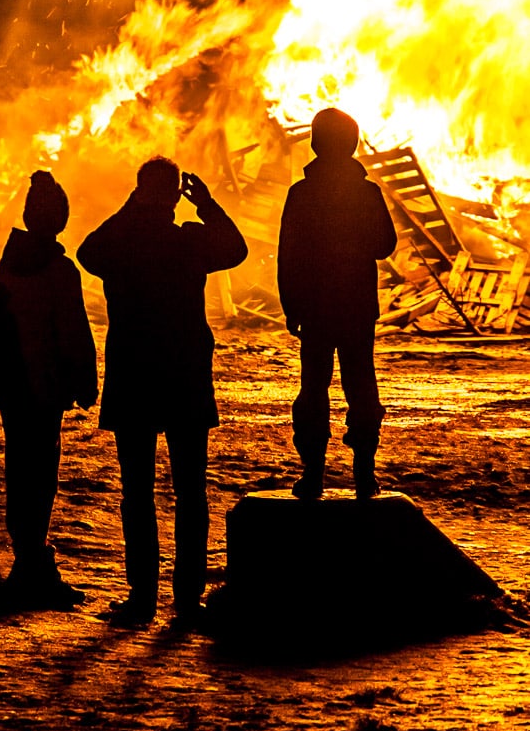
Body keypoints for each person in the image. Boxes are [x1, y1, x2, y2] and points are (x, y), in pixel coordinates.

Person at [77, 157, 247, 626]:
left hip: (134, 377)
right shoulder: (188, 242)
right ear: (176, 196)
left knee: (138, 492)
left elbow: (87, 251)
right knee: (191, 491)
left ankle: (142, 597)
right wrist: (207, 205)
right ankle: (188, 598)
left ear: (137, 193)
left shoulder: (123, 242)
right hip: (184, 375)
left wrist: (134, 206)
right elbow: (236, 249)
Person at [0, 170, 98, 610]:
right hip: (44, 389)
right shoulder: (58, 269)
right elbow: (72, 331)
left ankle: (27, 559)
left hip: (15, 388)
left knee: (21, 474)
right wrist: (84, 382)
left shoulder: (7, 264)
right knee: (41, 478)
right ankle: (34, 567)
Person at [277, 107, 398, 500]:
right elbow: (385, 246)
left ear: (314, 143)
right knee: (361, 386)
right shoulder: (367, 193)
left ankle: (312, 474)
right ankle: (365, 473)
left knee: (313, 388)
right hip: (357, 306)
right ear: (353, 144)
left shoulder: (302, 193)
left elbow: (288, 254)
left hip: (314, 307)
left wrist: (291, 306)